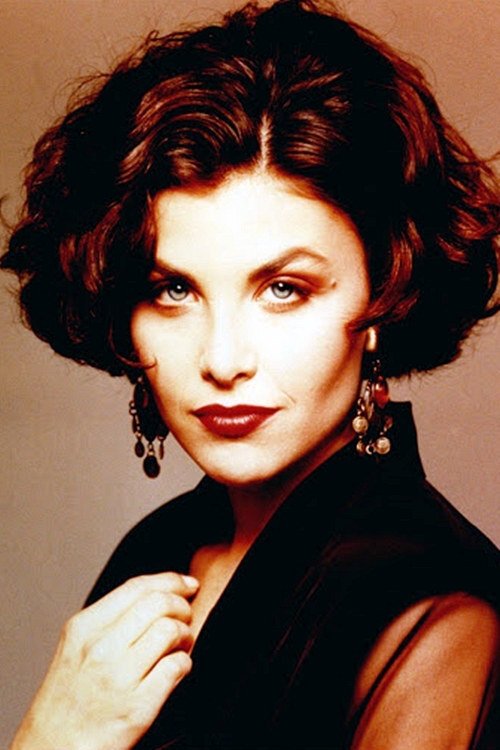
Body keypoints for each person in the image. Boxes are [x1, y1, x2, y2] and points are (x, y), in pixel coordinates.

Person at [2, 0, 499, 748]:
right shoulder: (158, 551)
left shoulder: (437, 615)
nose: (223, 359)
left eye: (284, 289)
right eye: (174, 290)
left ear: (384, 297)